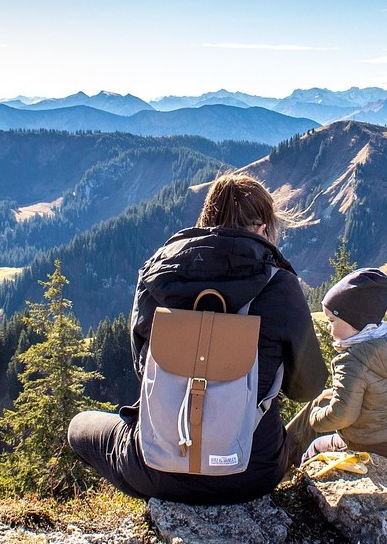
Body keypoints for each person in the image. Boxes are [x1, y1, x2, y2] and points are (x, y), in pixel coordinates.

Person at [67, 173, 327, 504]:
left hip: (155, 469)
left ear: (206, 220)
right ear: (262, 228)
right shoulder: (280, 286)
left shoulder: (157, 275)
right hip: (250, 471)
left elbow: (142, 367)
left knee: (79, 426)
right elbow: (308, 386)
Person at [285, 268, 387, 465]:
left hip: (365, 446)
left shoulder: (352, 360)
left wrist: (314, 419)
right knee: (322, 398)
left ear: (354, 322)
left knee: (316, 447)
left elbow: (342, 416)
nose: (328, 327)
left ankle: (293, 479)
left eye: (332, 320)